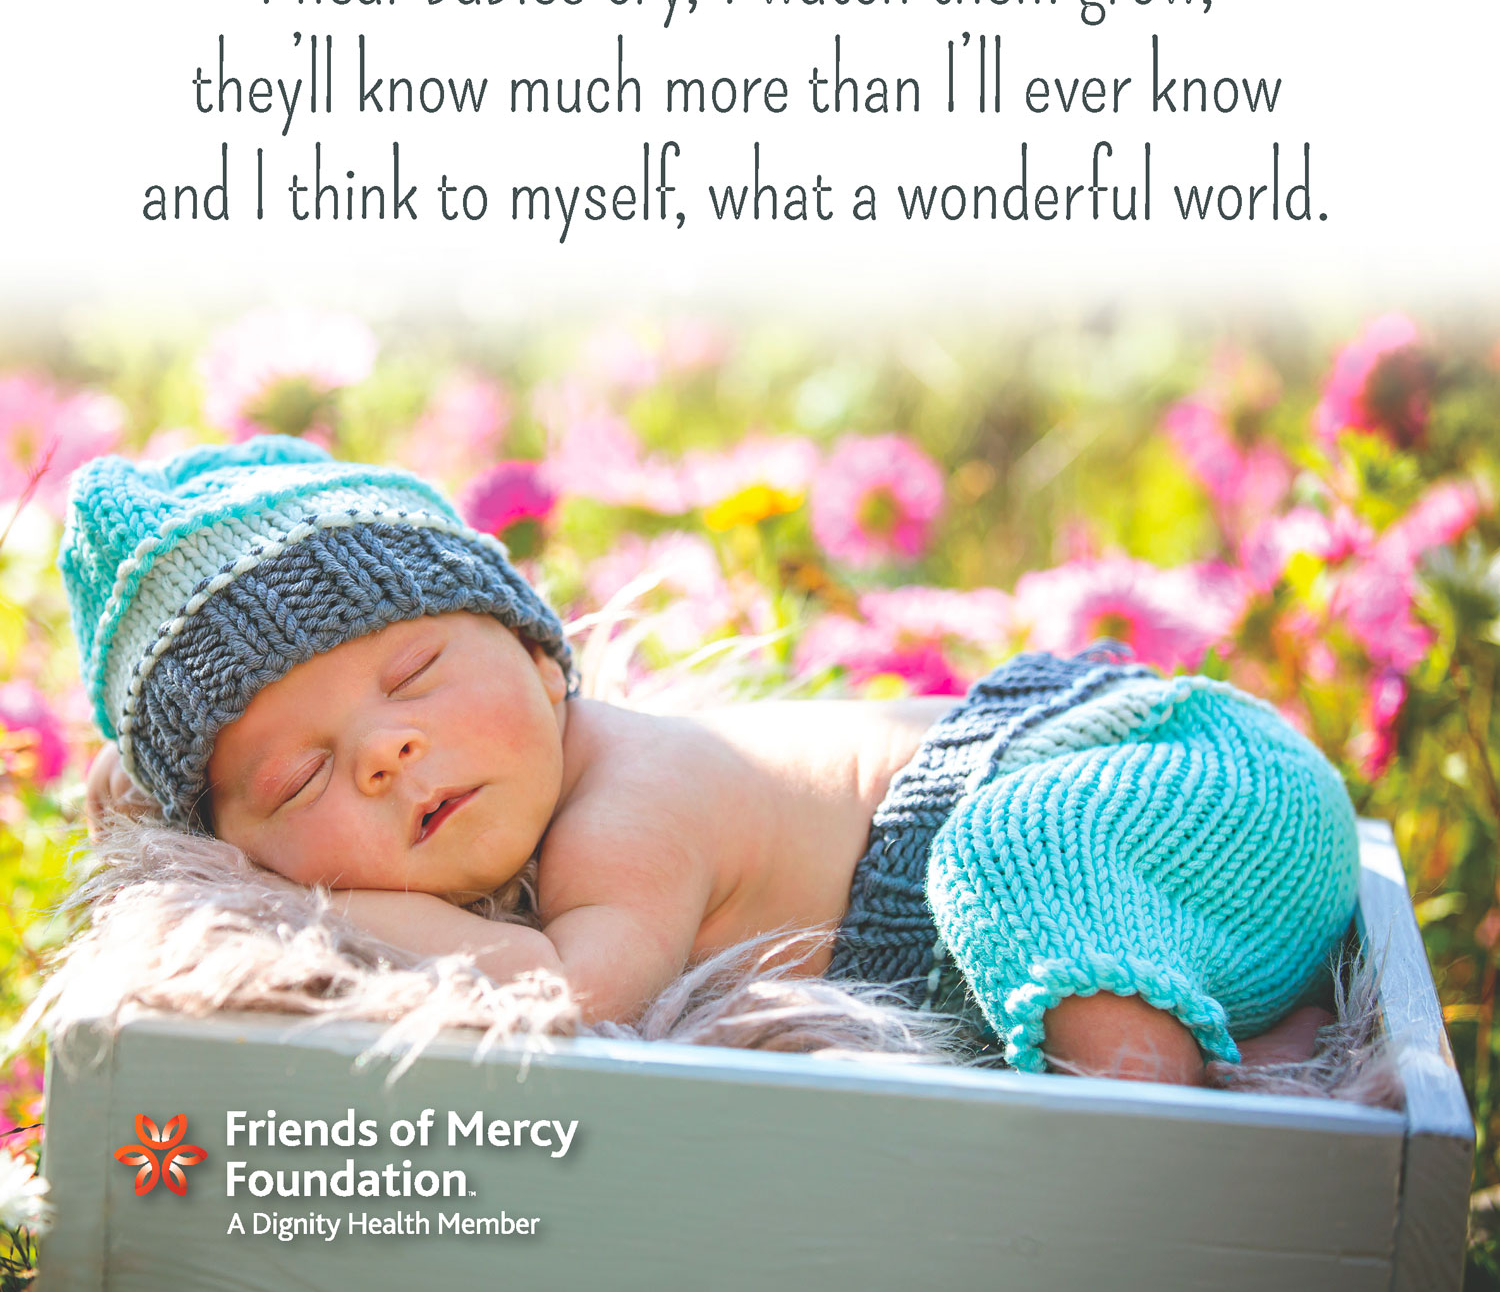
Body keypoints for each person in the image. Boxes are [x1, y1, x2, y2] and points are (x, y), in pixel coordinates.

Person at [66, 436, 1358, 1087]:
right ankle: (1269, 1032)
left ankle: (1162, 1110)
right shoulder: (519, 806)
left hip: (1162, 776)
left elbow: (581, 990)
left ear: (540, 655)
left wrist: (328, 906)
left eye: (414, 677)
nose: (391, 750)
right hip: (1165, 832)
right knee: (1031, 891)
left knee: (1017, 867)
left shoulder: (628, 807)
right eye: (299, 781)